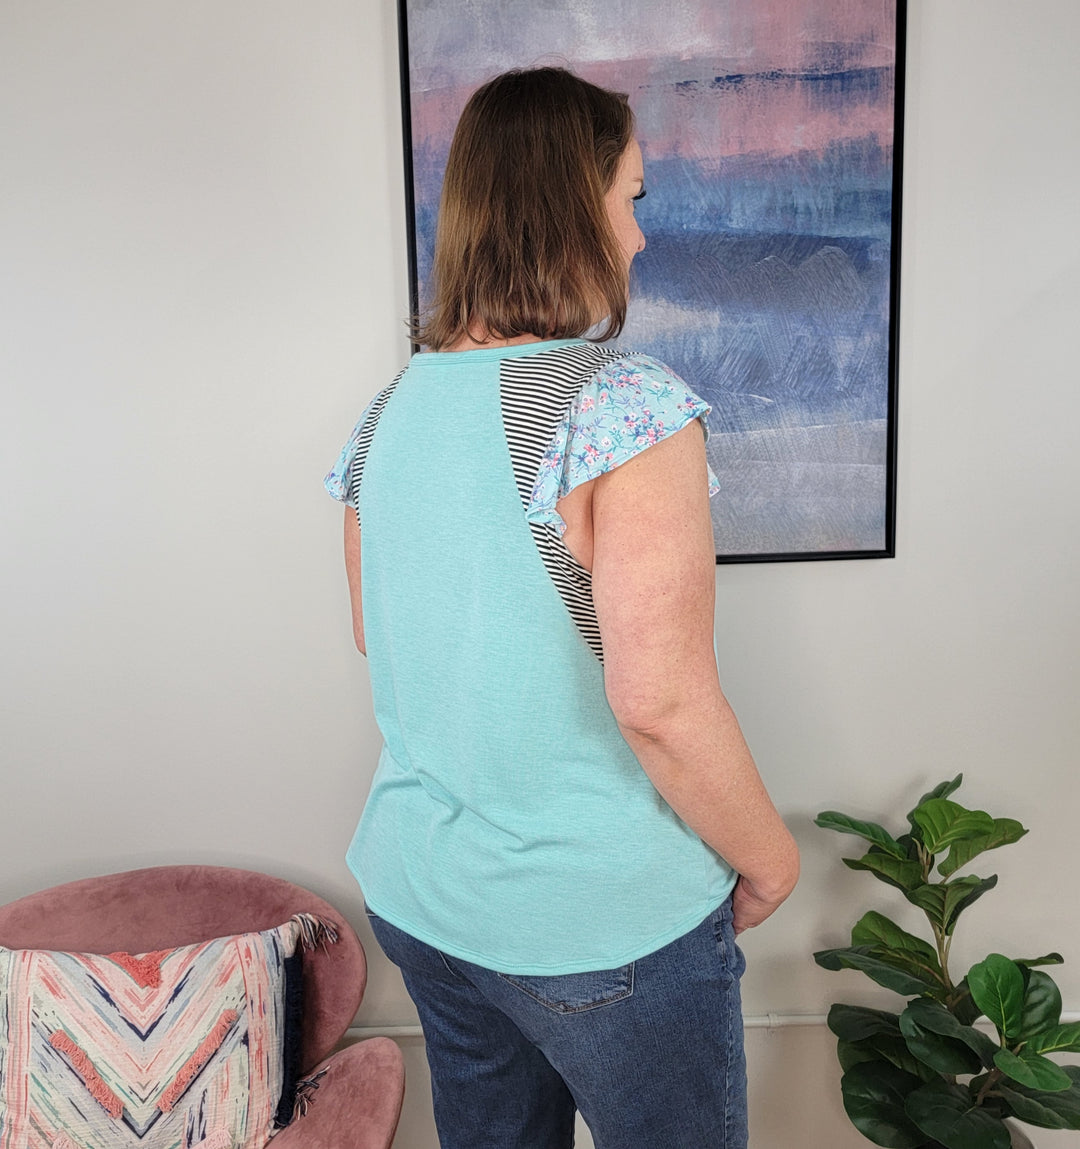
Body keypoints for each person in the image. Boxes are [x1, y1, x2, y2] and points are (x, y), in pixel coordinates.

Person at [325, 66, 798, 1149]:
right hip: (598, 923)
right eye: (632, 197)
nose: (639, 234)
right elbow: (659, 701)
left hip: (426, 900)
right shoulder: (623, 403)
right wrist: (772, 861)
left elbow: (376, 631)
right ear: (570, 204)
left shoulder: (386, 411)